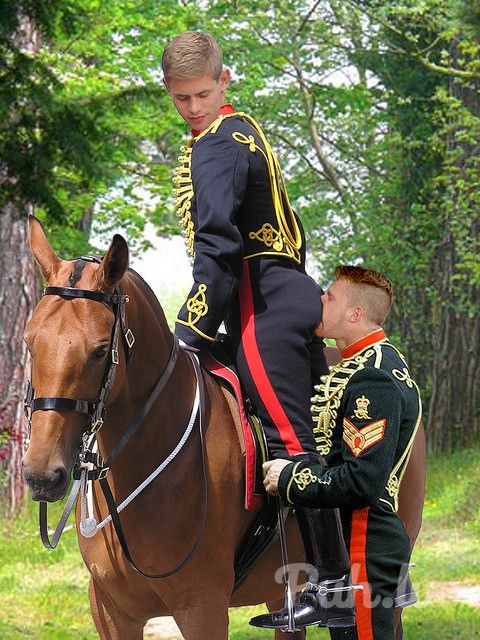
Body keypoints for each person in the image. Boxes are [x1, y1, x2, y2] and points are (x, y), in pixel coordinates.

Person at [162, 31, 355, 629]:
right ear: (169, 92)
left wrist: (189, 332)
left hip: (259, 300)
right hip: (286, 289)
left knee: (291, 438)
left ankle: (332, 583)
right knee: (300, 432)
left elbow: (219, 249)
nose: (193, 108)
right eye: (181, 98)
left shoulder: (215, 147)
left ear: (224, 80)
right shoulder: (245, 130)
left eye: (202, 94)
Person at [256, 265, 423, 639]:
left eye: (330, 296)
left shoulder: (372, 377)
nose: (320, 300)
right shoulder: (365, 363)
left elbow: (360, 482)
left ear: (354, 314)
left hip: (365, 545)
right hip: (358, 545)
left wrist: (290, 478)